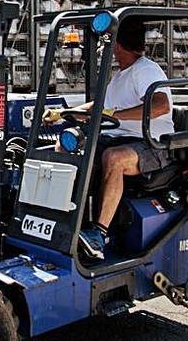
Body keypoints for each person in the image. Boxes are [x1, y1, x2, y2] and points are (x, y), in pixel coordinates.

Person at [44, 17, 174, 260]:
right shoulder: (120, 76)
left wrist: (117, 115)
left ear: (117, 44)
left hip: (150, 144)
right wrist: (63, 114)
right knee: (65, 145)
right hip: (119, 138)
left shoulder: (145, 69)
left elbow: (160, 106)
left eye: (109, 41)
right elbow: (100, 106)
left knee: (112, 158)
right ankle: (65, 217)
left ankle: (98, 235)